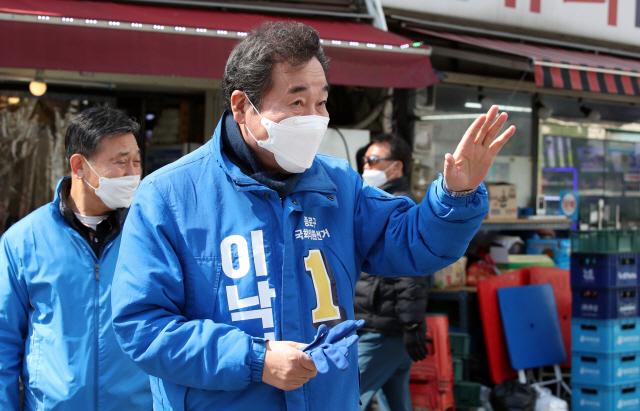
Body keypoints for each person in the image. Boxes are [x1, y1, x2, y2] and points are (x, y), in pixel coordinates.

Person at [111, 21, 515, 411]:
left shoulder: (338, 184)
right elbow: (142, 327)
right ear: (241, 107)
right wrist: (255, 359)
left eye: (321, 102)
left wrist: (456, 194)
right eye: (297, 101)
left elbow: (416, 242)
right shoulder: (170, 195)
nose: (314, 117)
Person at [0, 107, 152, 411]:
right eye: (121, 162)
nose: (133, 174)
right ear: (79, 166)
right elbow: (4, 344)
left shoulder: (151, 234)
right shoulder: (23, 241)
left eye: (136, 161)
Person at [355, 133, 429, 411]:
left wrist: (411, 325)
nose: (366, 167)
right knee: (396, 402)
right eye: (365, 160)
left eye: (373, 160)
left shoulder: (399, 207)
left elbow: (411, 273)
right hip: (385, 325)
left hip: (383, 326)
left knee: (343, 396)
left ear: (396, 167)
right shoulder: (379, 201)